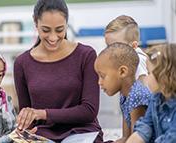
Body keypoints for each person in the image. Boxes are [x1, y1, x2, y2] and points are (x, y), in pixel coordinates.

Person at [13, 0, 103, 142]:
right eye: (46, 30)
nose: (53, 37)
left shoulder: (86, 55)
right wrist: (24, 128)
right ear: (35, 23)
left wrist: (43, 114)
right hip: (43, 136)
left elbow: (89, 111)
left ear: (67, 24)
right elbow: (27, 115)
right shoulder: (22, 63)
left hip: (82, 133)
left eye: (60, 30)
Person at [94, 42, 151, 143]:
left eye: (102, 76)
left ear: (122, 72)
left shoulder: (137, 95)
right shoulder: (124, 95)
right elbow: (126, 137)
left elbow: (136, 140)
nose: (99, 82)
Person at [126, 43, 176, 143]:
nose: (146, 77)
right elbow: (144, 127)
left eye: (149, 72)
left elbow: (171, 138)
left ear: (164, 75)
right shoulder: (156, 98)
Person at [104, 15, 148, 83]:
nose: (110, 51)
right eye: (108, 46)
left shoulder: (138, 61)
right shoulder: (120, 59)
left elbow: (144, 87)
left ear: (133, 46)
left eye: (116, 46)